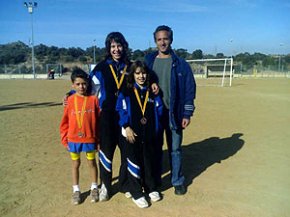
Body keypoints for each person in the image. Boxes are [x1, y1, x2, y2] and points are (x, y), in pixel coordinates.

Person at [144, 25, 196, 195]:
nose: (162, 42)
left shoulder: (181, 65)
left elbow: (190, 90)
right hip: (155, 115)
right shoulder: (148, 62)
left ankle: (177, 181)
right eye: (159, 39)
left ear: (171, 40)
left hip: (174, 114)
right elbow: (136, 82)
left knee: (175, 149)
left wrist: (187, 113)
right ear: (155, 41)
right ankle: (156, 180)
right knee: (155, 148)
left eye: (165, 38)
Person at [89, 32, 131, 201]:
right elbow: (89, 88)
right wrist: (70, 95)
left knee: (127, 151)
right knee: (106, 152)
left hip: (126, 117)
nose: (116, 49)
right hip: (106, 116)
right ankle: (105, 186)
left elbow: (142, 82)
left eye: (119, 45)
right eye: (113, 46)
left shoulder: (130, 66)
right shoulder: (101, 67)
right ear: (108, 48)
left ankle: (124, 184)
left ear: (124, 46)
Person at [116, 61, 163, 208]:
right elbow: (120, 110)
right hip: (132, 133)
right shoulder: (127, 92)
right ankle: (136, 192)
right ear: (132, 75)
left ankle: (150, 188)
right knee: (133, 162)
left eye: (143, 73)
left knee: (148, 161)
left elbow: (159, 109)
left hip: (149, 134)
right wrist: (126, 126)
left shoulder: (152, 92)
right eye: (137, 73)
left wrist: (156, 127)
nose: (141, 76)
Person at [60, 68, 100, 205]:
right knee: (75, 164)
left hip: (89, 139)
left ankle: (94, 187)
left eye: (83, 84)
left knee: (91, 162)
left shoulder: (93, 100)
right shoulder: (70, 101)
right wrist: (65, 139)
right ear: (73, 85)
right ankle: (76, 190)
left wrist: (98, 139)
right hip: (73, 140)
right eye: (78, 84)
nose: (81, 87)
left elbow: (98, 121)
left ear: (88, 84)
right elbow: (64, 121)